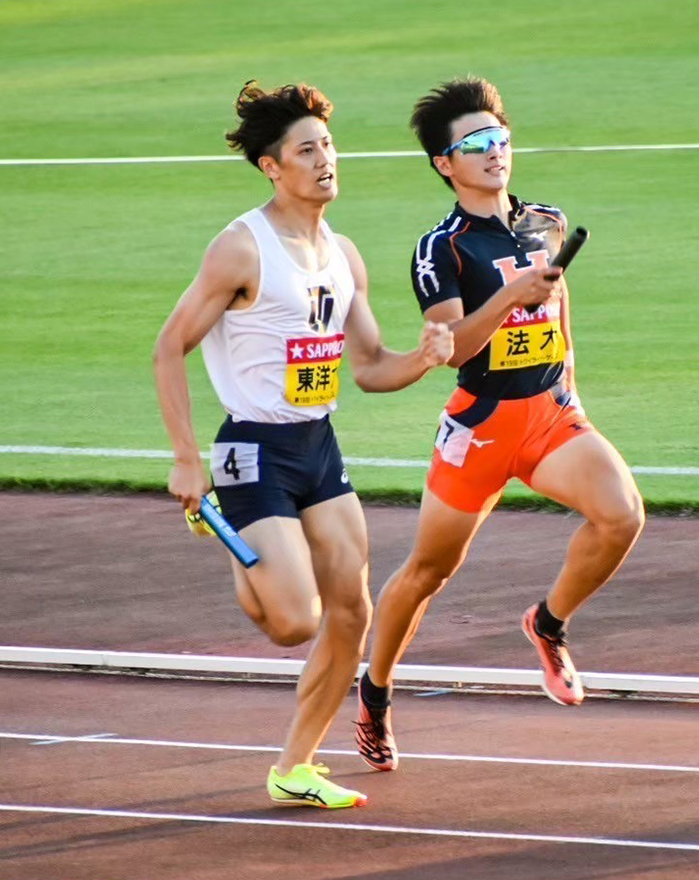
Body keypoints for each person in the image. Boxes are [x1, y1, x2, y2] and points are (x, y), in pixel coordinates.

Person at [153, 81, 453, 808]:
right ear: (272, 167)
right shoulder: (240, 248)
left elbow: (370, 366)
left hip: (318, 445)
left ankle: (296, 768)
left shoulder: (342, 254)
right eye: (307, 150)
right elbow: (168, 347)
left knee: (353, 613)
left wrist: (424, 358)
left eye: (328, 146)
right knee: (294, 622)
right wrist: (187, 457)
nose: (325, 160)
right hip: (251, 449)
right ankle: (230, 533)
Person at [355, 78, 644, 772]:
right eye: (476, 143)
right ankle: (375, 691)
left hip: (548, 413)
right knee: (429, 571)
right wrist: (512, 297)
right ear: (444, 164)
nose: (494, 152)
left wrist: (572, 389)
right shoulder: (441, 249)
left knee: (622, 516)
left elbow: (560, 309)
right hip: (481, 424)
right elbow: (450, 349)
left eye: (501, 139)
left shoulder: (545, 220)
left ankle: (547, 623)